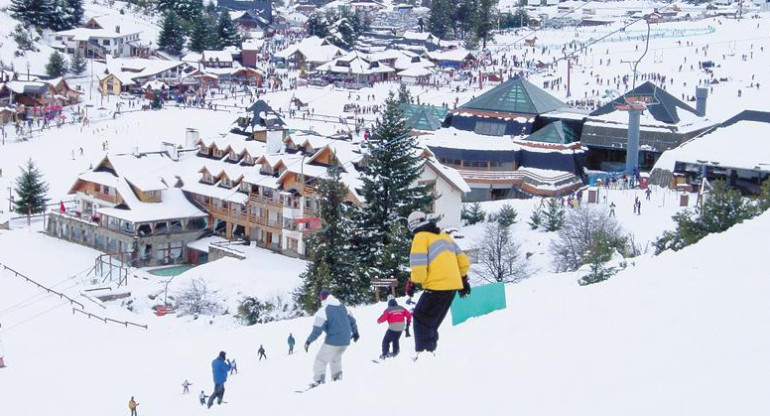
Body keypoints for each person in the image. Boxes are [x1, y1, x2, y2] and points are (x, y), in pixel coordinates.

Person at [406, 211, 470, 356]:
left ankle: (424, 356)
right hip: (452, 287)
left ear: (412, 226)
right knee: (431, 323)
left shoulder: (420, 237)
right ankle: (429, 355)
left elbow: (419, 268)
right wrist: (463, 280)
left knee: (420, 320)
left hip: (437, 287)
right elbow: (464, 262)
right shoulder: (445, 236)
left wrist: (413, 282)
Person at [304, 290, 359, 386]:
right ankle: (337, 377)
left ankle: (319, 380)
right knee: (335, 358)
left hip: (333, 340)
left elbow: (317, 330)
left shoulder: (324, 310)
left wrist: (308, 341)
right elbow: (352, 321)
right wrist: (355, 333)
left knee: (321, 359)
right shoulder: (343, 307)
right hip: (345, 340)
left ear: (322, 299)